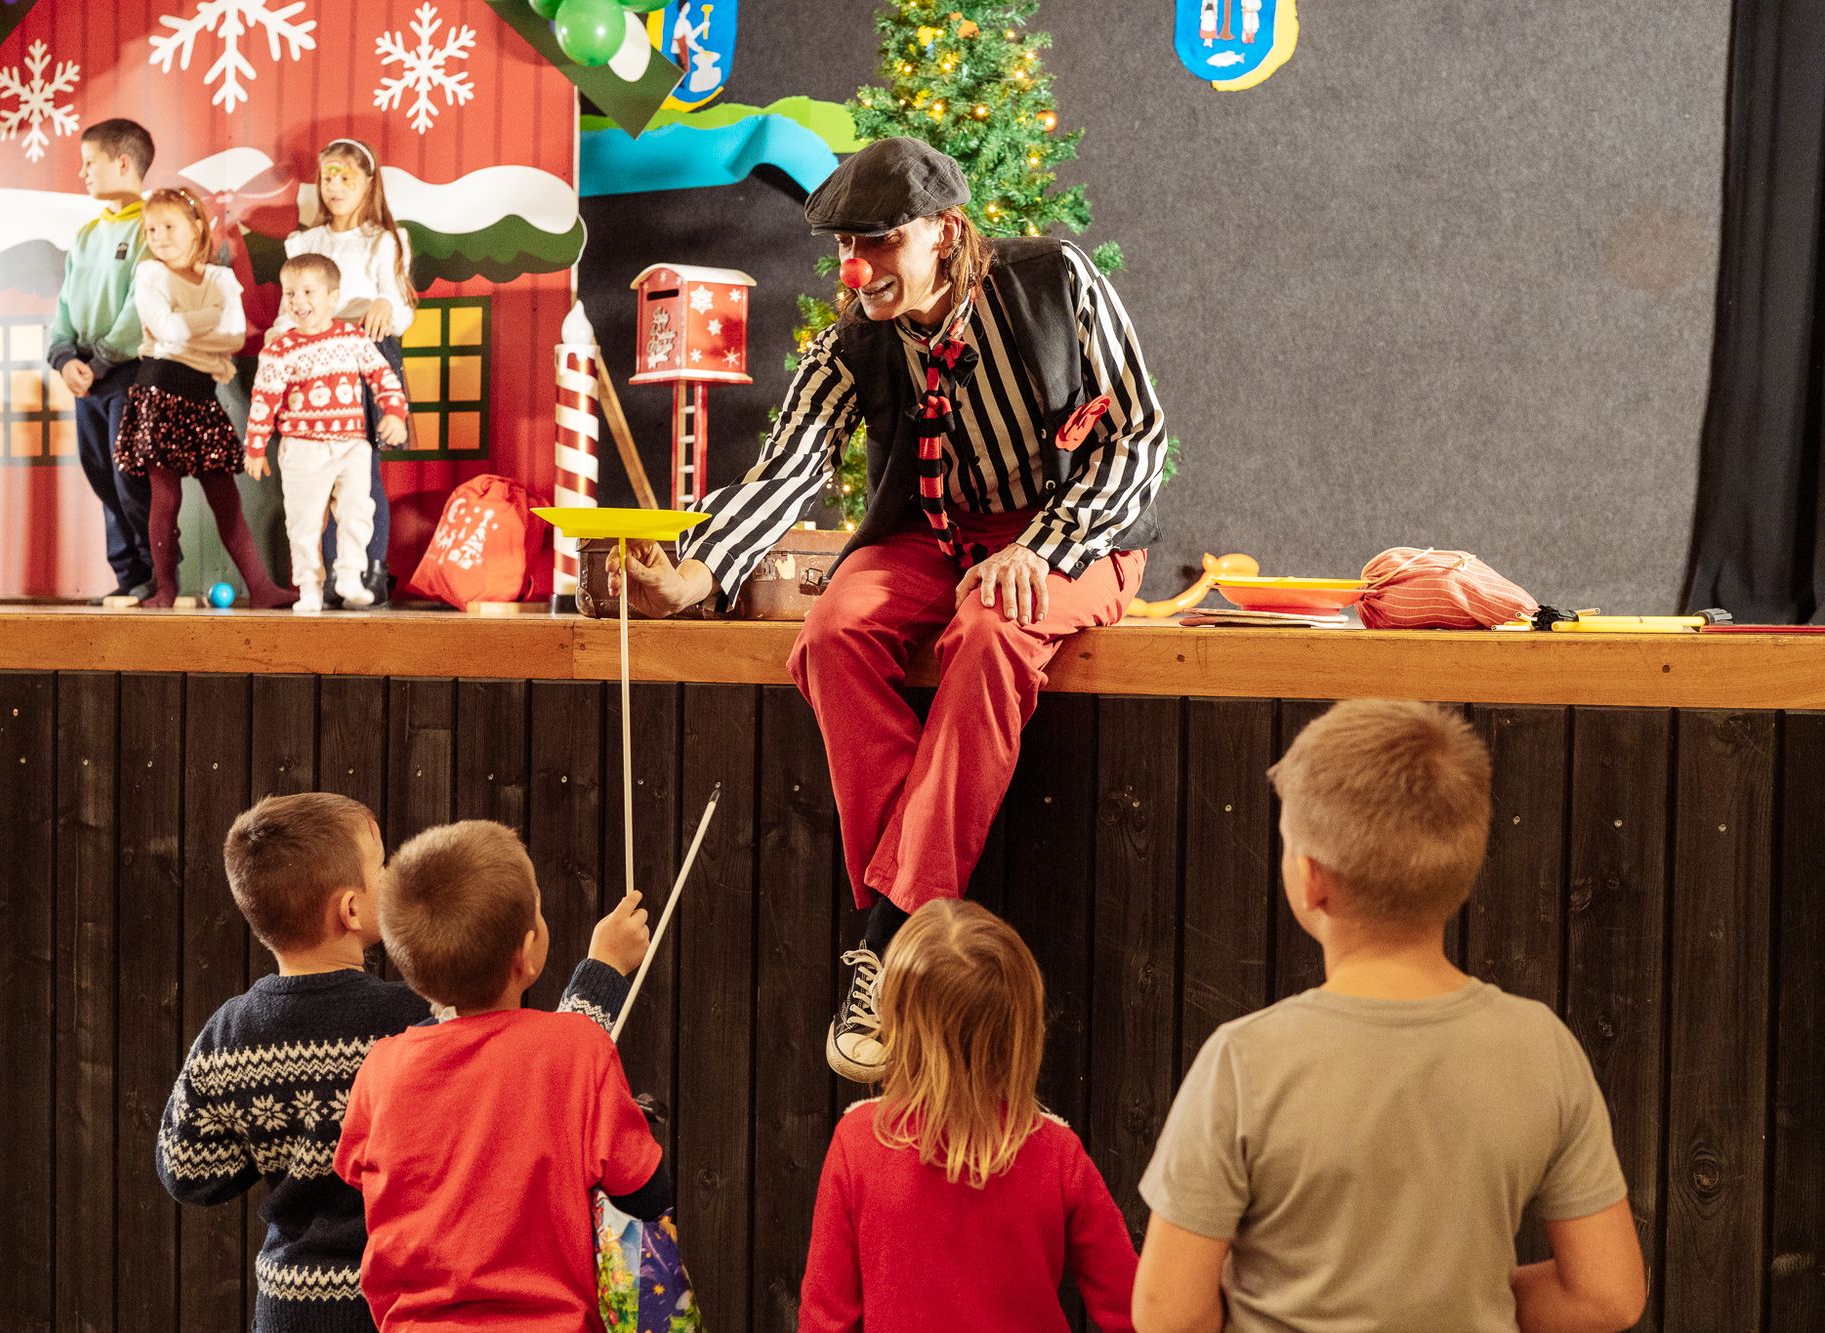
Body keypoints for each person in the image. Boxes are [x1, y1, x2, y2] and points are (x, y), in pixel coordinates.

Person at [615, 136, 1169, 1082]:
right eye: (844, 246)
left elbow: (1137, 439)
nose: (855, 267)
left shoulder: (1053, 282)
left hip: (1075, 534)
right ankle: (916, 913)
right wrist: (698, 573)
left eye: (878, 242)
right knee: (830, 633)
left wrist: (1041, 548)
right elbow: (789, 464)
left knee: (990, 632)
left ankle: (890, 932)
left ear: (944, 232)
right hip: (936, 535)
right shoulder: (857, 339)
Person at [1132, 700, 1648, 1333]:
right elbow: (1606, 1298)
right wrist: (1464, 1299)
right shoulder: (1543, 1047)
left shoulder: (1242, 1060)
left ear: (1311, 878)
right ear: (1462, 871)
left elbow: (1168, 1314)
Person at [155, 794, 647, 1333]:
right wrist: (604, 972)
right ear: (350, 910)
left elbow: (189, 1173)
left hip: (286, 1308)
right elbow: (539, 1071)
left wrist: (279, 1135)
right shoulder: (410, 1021)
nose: (392, 876)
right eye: (381, 866)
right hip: (398, 1301)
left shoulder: (230, 1032)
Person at [335, 820, 672, 1331]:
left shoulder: (381, 1067)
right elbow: (647, 1194)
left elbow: (358, 1178)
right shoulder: (577, 1049)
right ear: (528, 950)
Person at [799, 899, 1136, 1331]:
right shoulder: (1057, 1152)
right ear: (1022, 1027)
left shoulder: (859, 1140)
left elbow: (823, 1319)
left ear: (893, 1018)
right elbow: (1137, 1312)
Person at [117, 187, 294, 610]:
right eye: (152, 229)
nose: (159, 237)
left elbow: (233, 337)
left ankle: (262, 587)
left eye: (169, 226)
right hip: (159, 390)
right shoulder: (150, 273)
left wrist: (183, 332)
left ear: (197, 227)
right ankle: (165, 589)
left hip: (200, 394)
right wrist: (210, 318)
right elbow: (165, 328)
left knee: (225, 498)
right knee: (166, 498)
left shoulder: (220, 278)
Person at [267, 138, 417, 607]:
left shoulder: (383, 241)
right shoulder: (305, 242)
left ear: (368, 183)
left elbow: (402, 309)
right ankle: (328, 576)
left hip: (364, 353)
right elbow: (287, 312)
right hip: (315, 365)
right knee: (317, 475)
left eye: (346, 178)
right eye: (327, 177)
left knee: (360, 471)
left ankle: (369, 571)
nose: (334, 187)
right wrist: (278, 343)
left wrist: (384, 304)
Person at [244, 254, 409, 612]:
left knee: (357, 508)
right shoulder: (280, 349)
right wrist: (255, 447)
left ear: (333, 297)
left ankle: (350, 574)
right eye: (290, 293)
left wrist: (395, 414)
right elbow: (264, 399)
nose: (298, 301)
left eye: (308, 292)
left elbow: (383, 376)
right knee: (303, 521)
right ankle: (309, 587)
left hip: (351, 443)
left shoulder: (352, 338)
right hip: (302, 447)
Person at [49, 117, 157, 603]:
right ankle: (127, 575)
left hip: (127, 372)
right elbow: (64, 306)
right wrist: (64, 357)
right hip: (87, 375)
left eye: (90, 162)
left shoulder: (152, 226)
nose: (83, 172)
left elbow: (139, 307)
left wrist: (102, 361)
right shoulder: (87, 234)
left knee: (130, 475)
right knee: (100, 474)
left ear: (124, 163)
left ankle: (156, 573)